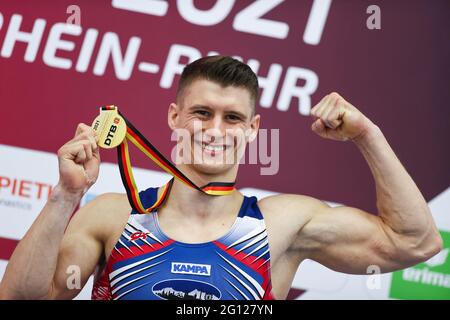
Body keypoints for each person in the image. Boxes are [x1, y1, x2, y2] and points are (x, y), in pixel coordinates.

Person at [0, 56, 442, 300]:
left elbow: (416, 243)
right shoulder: (115, 216)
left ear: (253, 129)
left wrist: (368, 135)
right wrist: (64, 197)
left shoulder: (281, 226)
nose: (214, 130)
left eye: (233, 118)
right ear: (175, 116)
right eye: (201, 113)